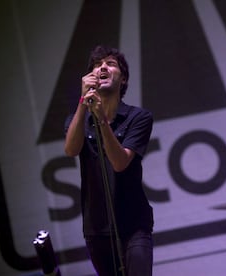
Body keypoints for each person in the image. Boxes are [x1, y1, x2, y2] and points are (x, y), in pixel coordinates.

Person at [64, 45, 154, 276]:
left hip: (134, 225)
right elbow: (71, 150)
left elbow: (120, 163)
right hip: (96, 228)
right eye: (97, 65)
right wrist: (83, 102)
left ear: (122, 79)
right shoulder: (77, 120)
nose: (102, 67)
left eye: (110, 64)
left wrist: (102, 120)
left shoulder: (138, 117)